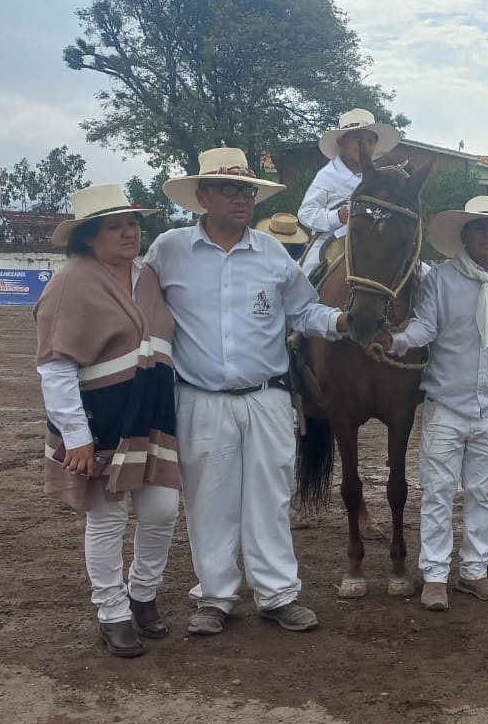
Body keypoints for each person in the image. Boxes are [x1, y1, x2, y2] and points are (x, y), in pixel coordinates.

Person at [148, 147, 350, 637]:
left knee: (270, 498)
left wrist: (343, 322)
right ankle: (214, 596)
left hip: (266, 396)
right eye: (229, 189)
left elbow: (304, 311)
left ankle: (278, 593)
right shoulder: (168, 250)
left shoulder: (273, 253)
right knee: (207, 501)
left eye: (247, 190)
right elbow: (140, 307)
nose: (242, 198)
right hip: (199, 396)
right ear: (202, 196)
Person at [34, 184, 180, 658]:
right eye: (114, 226)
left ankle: (142, 593)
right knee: (109, 517)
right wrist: (76, 437)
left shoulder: (148, 277)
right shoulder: (70, 283)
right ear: (87, 238)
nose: (129, 232)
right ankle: (112, 610)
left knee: (161, 510)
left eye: (133, 223)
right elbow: (56, 367)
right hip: (101, 422)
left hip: (153, 417)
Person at [383, 195, 488, 611]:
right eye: (480, 228)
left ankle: (474, 572)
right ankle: (435, 575)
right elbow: (425, 327)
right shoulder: (441, 278)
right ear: (465, 236)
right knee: (437, 492)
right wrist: (396, 341)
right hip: (446, 403)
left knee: (482, 494)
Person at [297, 109, 402, 275]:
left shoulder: (381, 178)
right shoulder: (327, 175)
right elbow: (306, 213)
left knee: (418, 273)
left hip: (375, 240)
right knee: (303, 277)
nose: (364, 145)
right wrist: (337, 217)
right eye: (358, 139)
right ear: (342, 142)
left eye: (370, 140)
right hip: (332, 240)